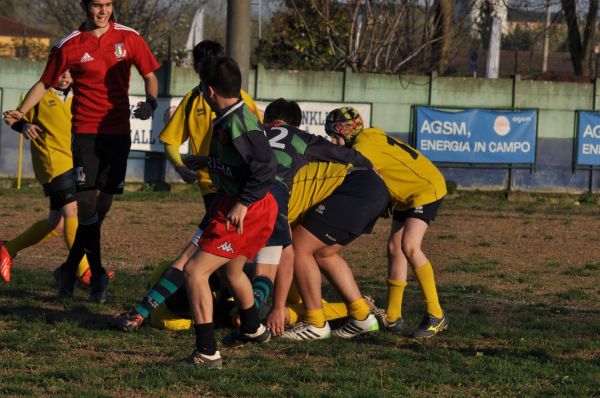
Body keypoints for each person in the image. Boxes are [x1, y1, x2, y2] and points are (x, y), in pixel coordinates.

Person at [3, 0, 160, 303]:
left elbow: (150, 74)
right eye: (97, 5)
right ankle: (97, 273)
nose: (103, 12)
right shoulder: (69, 45)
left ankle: (69, 268)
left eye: (108, 5)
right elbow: (44, 82)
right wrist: (21, 113)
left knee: (99, 211)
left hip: (118, 135)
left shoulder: (130, 38)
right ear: (85, 7)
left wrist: (150, 102)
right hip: (86, 133)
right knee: (86, 204)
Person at [107, 40, 264, 332]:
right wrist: (190, 164)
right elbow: (259, 144)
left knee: (196, 260)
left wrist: (186, 166)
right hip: (233, 192)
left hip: (233, 194)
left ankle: (230, 324)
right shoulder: (231, 99)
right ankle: (250, 319)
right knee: (242, 258)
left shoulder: (219, 100)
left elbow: (258, 151)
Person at [183, 56, 277, 367]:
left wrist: (243, 202)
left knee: (195, 271)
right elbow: (243, 163)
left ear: (209, 90)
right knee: (232, 271)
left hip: (246, 207)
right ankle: (252, 328)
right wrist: (207, 162)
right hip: (246, 203)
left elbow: (265, 166)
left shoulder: (238, 121)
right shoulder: (232, 116)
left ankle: (207, 352)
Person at [324, 107, 448, 338]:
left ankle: (436, 314)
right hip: (407, 191)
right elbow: (386, 167)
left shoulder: (361, 150)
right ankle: (393, 317)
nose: (333, 141)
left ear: (346, 131)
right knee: (394, 247)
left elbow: (364, 173)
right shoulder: (370, 135)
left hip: (425, 188)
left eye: (334, 135)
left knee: (409, 246)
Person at [0, 70, 111, 285]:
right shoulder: (39, 92)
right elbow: (12, 119)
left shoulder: (79, 93)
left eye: (70, 73)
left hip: (74, 161)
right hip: (52, 161)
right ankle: (85, 271)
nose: (65, 77)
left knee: (56, 224)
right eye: (61, 72)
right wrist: (25, 125)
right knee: (73, 211)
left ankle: (7, 249)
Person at [277, 165, 389, 340]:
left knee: (298, 247)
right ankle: (362, 316)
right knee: (324, 253)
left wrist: (277, 307)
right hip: (372, 187)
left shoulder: (273, 202)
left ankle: (316, 324)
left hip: (356, 188)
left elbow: (283, 256)